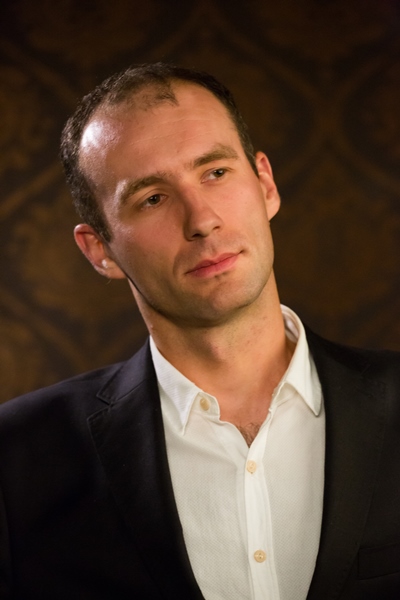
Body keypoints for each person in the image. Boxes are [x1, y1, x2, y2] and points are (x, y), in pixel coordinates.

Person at [0, 63, 399, 600]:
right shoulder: (16, 460)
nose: (201, 220)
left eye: (215, 173)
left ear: (265, 184)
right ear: (99, 250)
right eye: (152, 198)